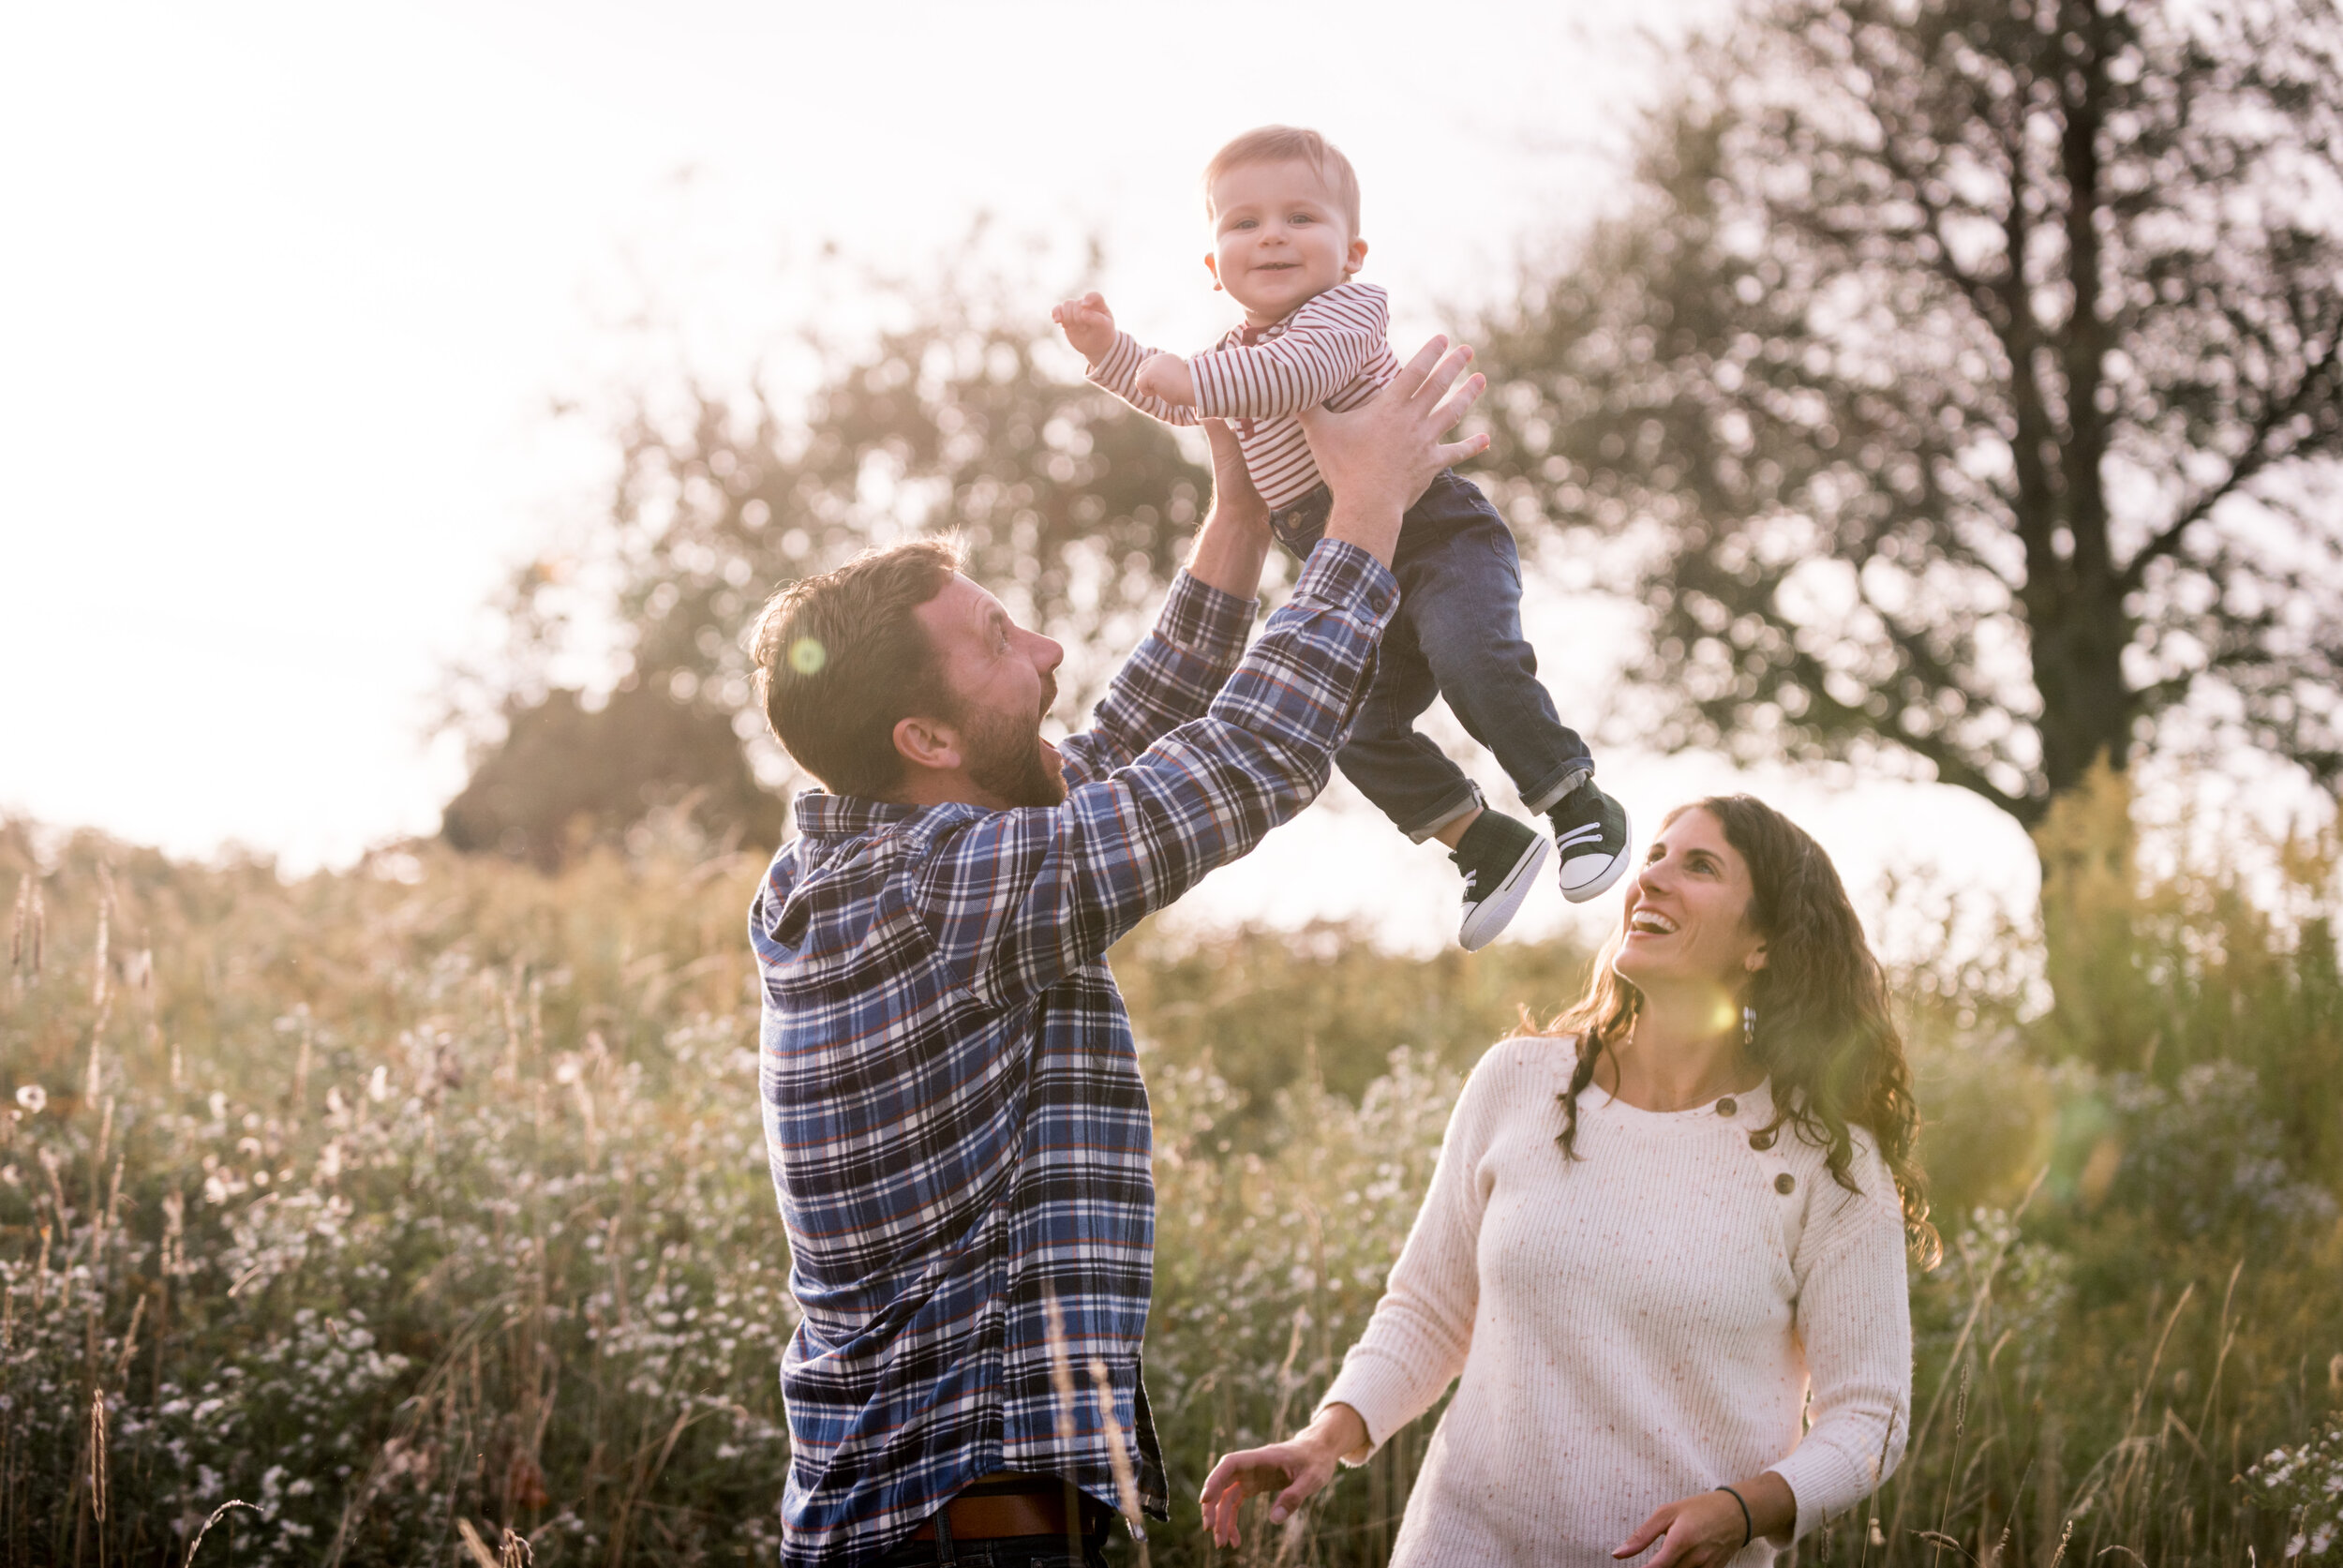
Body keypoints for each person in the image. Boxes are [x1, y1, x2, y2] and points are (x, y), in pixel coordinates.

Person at [744, 338, 1489, 1567]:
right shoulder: (938, 896)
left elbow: (1135, 735)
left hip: (955, 1503)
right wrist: (1369, 509)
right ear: (924, 733)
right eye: (998, 639)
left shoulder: (899, 856)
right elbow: (1237, 763)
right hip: (961, 1514)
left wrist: (1241, 504)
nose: (1044, 651)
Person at [1201, 796, 1936, 1568]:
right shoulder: (1519, 1081)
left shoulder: (1825, 1160)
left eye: (1699, 866)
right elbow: (1428, 1308)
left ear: (1762, 943)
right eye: (1653, 856)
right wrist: (1326, 1438)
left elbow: (1869, 1418)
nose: (1651, 879)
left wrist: (1742, 1511)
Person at [1052, 124, 1632, 954]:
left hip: (1437, 540)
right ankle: (1483, 841)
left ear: (1351, 252)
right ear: (1214, 268)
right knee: (1353, 728)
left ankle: (1576, 800)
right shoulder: (1228, 356)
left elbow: (1290, 376)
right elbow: (1187, 399)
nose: (1273, 235)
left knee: (1472, 657)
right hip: (1355, 576)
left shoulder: (1347, 315)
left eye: (1301, 217)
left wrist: (1188, 376)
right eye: (1243, 223)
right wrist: (1113, 354)